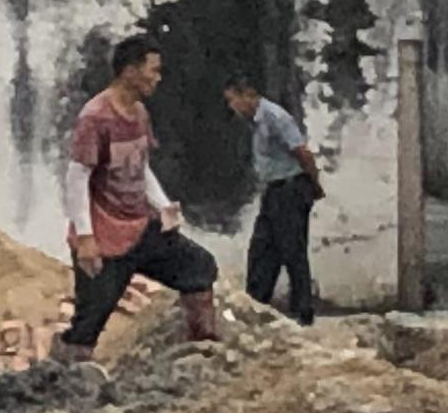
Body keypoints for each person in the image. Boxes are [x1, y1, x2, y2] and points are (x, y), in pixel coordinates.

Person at [58, 32, 222, 352]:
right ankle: (66, 380)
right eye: (153, 70)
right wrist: (86, 238)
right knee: (90, 320)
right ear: (130, 71)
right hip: (105, 236)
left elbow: (139, 166)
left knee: (199, 267)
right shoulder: (96, 117)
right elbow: (77, 176)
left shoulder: (139, 114)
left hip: (141, 226)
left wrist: (162, 206)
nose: (158, 78)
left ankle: (203, 348)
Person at [221, 70, 322, 325]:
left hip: (290, 188)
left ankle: (303, 311)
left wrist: (313, 183)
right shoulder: (256, 121)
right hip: (275, 190)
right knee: (263, 248)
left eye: (233, 100)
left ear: (248, 95)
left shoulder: (275, 117)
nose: (232, 107)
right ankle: (256, 304)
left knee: (292, 250)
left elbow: (302, 151)